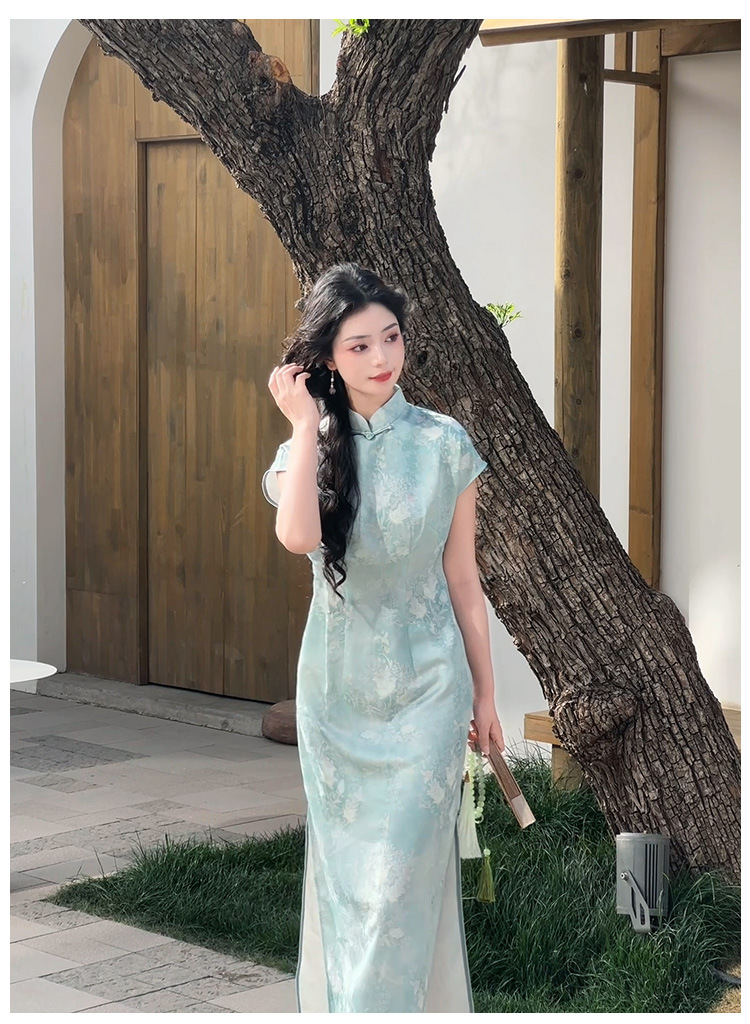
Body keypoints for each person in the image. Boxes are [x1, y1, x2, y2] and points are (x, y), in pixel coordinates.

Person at [261, 262, 505, 1013]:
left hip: (430, 692)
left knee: (401, 882)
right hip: (337, 701)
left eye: (390, 338)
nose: (381, 358)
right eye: (359, 346)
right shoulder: (308, 448)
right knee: (354, 889)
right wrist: (305, 426)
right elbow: (298, 536)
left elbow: (463, 579)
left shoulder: (445, 443)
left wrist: (486, 695)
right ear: (327, 359)